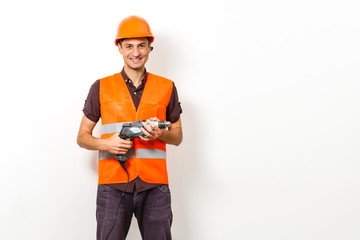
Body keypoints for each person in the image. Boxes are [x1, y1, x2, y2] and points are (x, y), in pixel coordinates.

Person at [76, 15, 183, 240]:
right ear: (120, 48)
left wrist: (161, 134)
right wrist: (106, 143)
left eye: (141, 46)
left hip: (155, 187)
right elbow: (82, 137)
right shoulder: (101, 87)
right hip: (112, 186)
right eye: (129, 46)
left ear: (150, 48)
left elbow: (178, 136)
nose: (136, 52)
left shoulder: (166, 87)